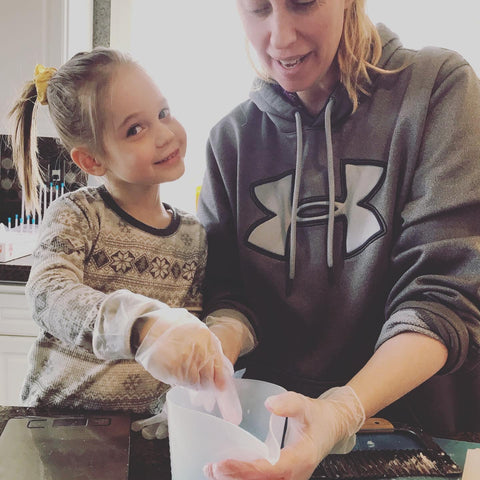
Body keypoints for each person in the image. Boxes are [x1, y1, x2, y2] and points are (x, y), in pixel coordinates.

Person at [197, 0, 480, 478]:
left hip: (413, 437)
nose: (280, 37)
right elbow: (230, 295)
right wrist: (215, 342)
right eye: (258, 8)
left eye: (303, 2)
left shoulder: (437, 88)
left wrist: (343, 409)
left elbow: (442, 295)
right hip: (274, 439)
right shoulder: (232, 140)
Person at [8, 48, 248, 436]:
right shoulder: (79, 214)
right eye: (135, 130)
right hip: (60, 426)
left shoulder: (193, 237)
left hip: (144, 432)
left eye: (163, 113)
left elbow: (195, 333)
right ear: (92, 162)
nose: (166, 134)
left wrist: (185, 398)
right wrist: (139, 327)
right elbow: (49, 293)